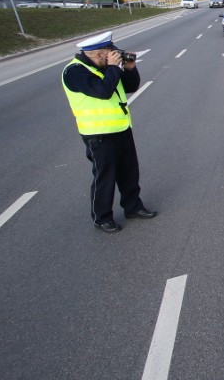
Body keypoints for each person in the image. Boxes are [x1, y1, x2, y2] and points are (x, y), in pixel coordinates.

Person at [61, 31, 156, 233]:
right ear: (96, 53)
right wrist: (113, 67)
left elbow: (130, 86)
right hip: (98, 135)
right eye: (109, 53)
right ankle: (102, 217)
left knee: (129, 173)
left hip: (121, 128)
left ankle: (133, 207)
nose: (113, 56)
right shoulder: (74, 72)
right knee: (105, 177)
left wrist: (129, 69)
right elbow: (103, 92)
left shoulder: (106, 67)